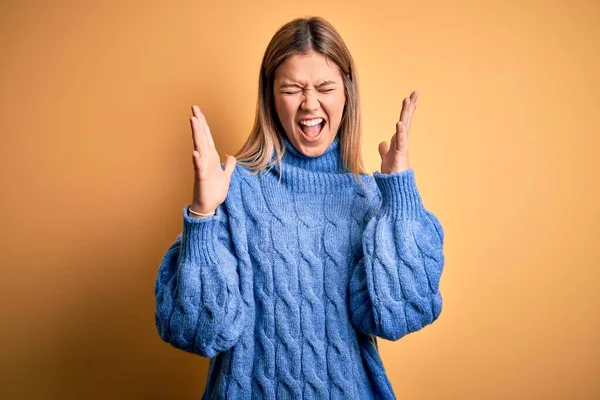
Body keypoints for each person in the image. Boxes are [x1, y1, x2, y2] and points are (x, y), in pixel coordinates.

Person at [154, 16, 445, 400]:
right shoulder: (234, 190)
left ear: (346, 94)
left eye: (325, 86)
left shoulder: (369, 197)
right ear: (271, 98)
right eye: (292, 89)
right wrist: (203, 215)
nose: (310, 103)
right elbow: (196, 330)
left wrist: (399, 196)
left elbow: (402, 313)